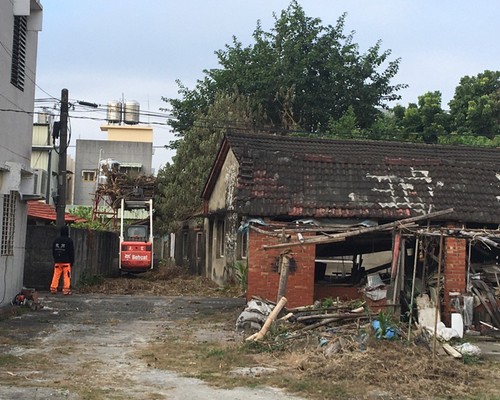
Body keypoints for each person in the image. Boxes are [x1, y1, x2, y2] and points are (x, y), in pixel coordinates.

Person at [50, 225, 75, 295]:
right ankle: (66, 290)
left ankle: (53, 288)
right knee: (66, 276)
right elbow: (71, 252)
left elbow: (53, 251)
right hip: (66, 262)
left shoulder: (56, 240)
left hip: (57, 261)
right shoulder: (69, 240)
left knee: (56, 275)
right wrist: (72, 261)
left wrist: (55, 259)